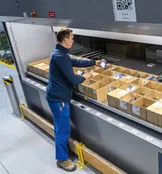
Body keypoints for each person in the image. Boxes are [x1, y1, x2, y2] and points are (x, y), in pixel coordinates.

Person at [46, 28, 101, 172]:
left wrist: (94, 62)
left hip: (56, 96)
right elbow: (72, 79)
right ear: (65, 40)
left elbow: (75, 61)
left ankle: (63, 152)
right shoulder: (60, 56)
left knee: (60, 128)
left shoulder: (59, 52)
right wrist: (86, 77)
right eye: (72, 38)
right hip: (59, 99)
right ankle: (62, 160)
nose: (73, 40)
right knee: (62, 130)